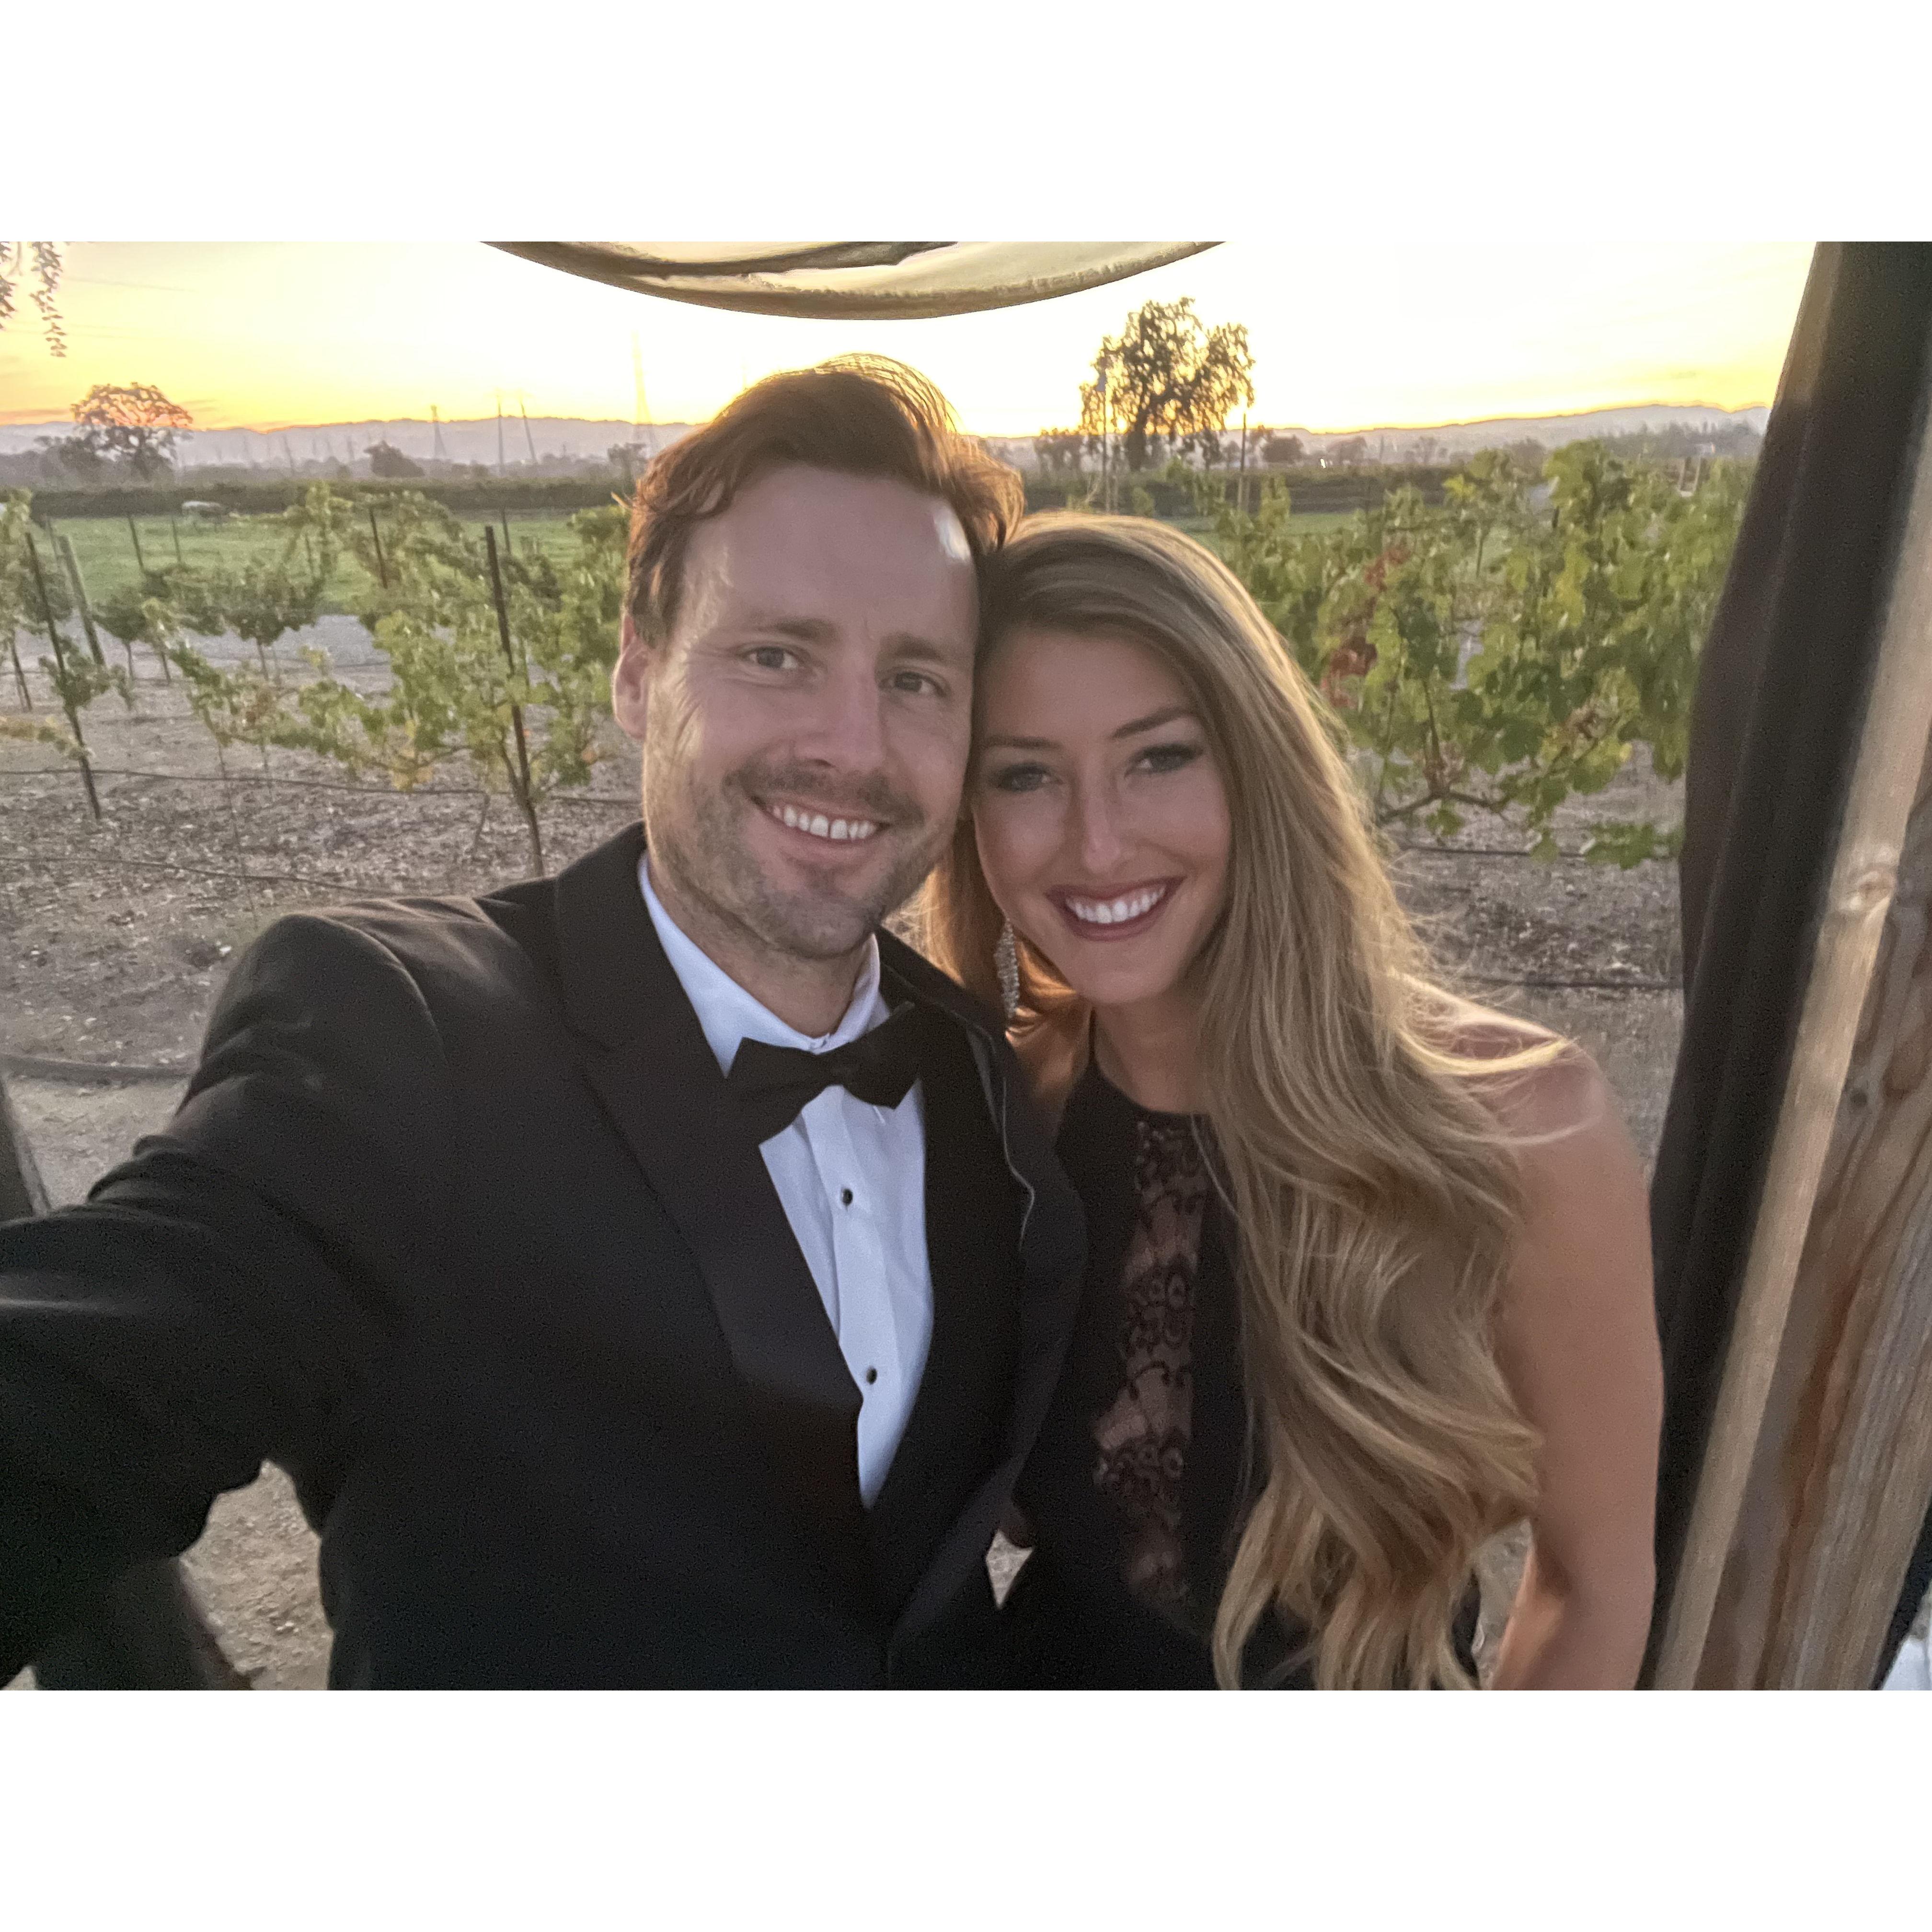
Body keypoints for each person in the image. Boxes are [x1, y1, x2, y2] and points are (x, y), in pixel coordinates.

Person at [0, 358, 1086, 1689]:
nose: (853, 746)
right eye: (776, 655)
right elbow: (98, 1368)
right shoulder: (396, 1036)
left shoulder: (975, 1067)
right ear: (638, 672)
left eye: (916, 679)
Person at [922, 513, 1664, 1689]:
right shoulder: (1001, 1114)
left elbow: (1595, 1584)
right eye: (1025, 775)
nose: (1097, 844)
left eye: (1159, 757)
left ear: (1256, 765)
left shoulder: (1522, 1129)